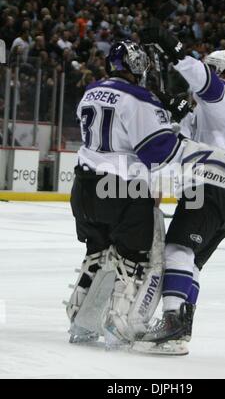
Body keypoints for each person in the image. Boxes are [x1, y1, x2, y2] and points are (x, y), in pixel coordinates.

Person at [66, 40, 189, 345]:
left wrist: (161, 110)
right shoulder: (140, 98)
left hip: (84, 186)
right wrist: (178, 131)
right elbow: (155, 151)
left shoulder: (90, 91)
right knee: (133, 260)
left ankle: (79, 319)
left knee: (96, 252)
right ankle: (118, 326)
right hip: (123, 188)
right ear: (137, 67)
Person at [140, 29, 225, 353]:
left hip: (212, 185)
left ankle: (173, 324)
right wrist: (176, 110)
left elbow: (204, 81)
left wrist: (176, 53)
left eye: (215, 68)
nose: (209, 73)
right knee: (191, 264)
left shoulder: (224, 96)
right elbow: (195, 126)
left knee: (176, 251)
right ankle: (181, 333)